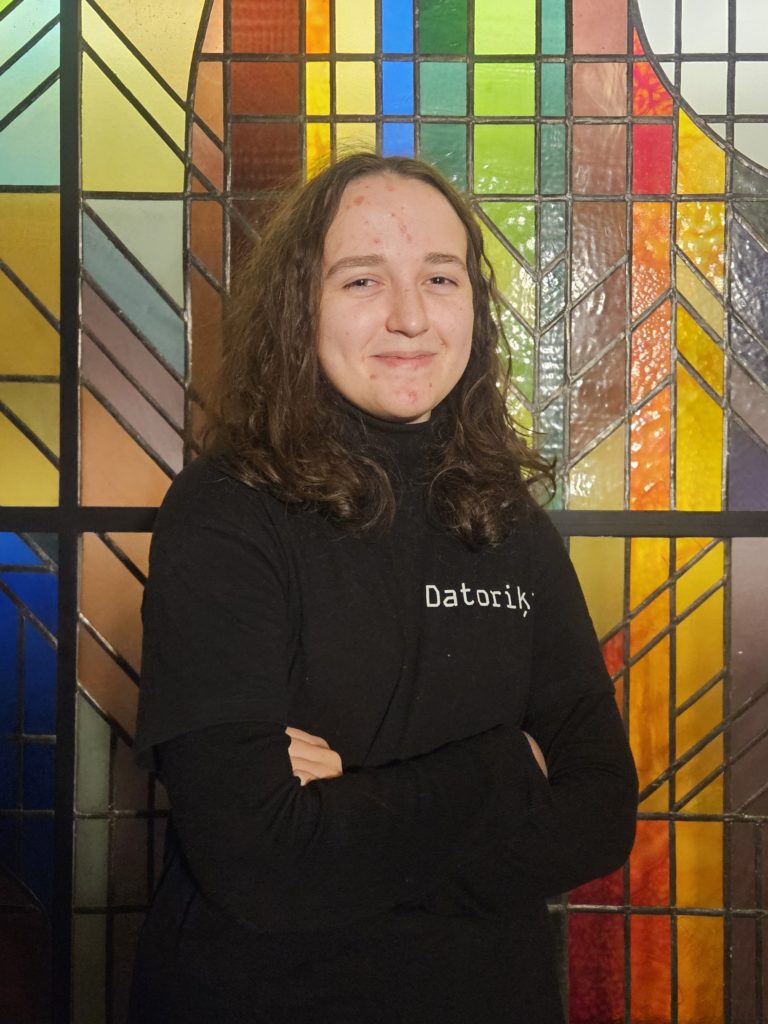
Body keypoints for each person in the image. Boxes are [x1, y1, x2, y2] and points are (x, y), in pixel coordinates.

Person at [128, 154, 637, 1024]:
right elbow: (262, 866)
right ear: (299, 307)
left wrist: (346, 804)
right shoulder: (224, 512)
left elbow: (599, 814)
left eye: (440, 278)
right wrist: (503, 772)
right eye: (363, 279)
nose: (410, 316)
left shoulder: (506, 517)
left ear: (473, 307)